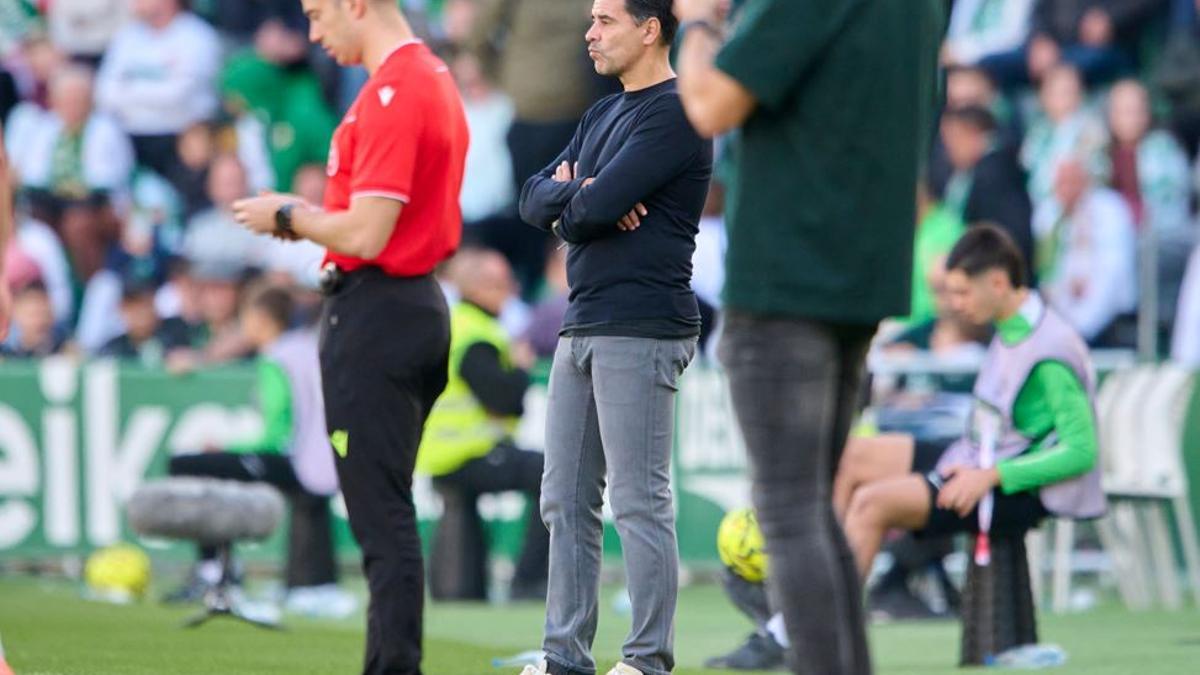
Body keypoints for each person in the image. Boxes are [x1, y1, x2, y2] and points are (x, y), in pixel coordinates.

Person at [674, 1, 942, 673]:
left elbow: (709, 103)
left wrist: (701, 20)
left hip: (789, 275)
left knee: (790, 512)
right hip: (861, 274)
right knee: (812, 509)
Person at [233, 1, 468, 672]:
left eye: (316, 12)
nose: (312, 32)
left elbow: (367, 231)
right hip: (408, 304)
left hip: (377, 310)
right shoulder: (429, 78)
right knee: (384, 512)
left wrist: (289, 214)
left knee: (381, 519)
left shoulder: (395, 90)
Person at [517, 2, 711, 673]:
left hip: (643, 322)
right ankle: (563, 654)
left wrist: (579, 199)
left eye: (605, 19)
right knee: (563, 500)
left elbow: (582, 206)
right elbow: (531, 198)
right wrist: (583, 198)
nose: (590, 32)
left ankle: (647, 658)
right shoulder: (601, 114)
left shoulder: (680, 108)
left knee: (638, 499)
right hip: (583, 320)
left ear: (650, 26)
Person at [841, 224, 1104, 583]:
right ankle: (797, 600)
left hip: (1015, 488)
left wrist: (992, 476)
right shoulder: (1010, 324)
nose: (955, 305)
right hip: (976, 457)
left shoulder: (1050, 350)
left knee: (871, 503)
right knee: (850, 456)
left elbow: (1082, 452)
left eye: (963, 293)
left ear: (997, 283)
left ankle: (823, 630)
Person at [166, 283, 350, 617]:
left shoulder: (276, 357)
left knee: (189, 465)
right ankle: (239, 571)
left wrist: (226, 446)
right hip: (330, 457)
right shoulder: (303, 347)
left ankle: (215, 571)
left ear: (261, 319)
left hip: (299, 461)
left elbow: (277, 433)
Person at [417, 248, 548, 601]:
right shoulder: (476, 334)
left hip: (447, 451)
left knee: (545, 471)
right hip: (466, 453)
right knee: (553, 474)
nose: (510, 290)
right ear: (475, 287)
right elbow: (503, 398)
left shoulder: (460, 322)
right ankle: (530, 582)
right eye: (501, 283)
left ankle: (480, 585)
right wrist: (520, 369)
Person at [1033, 158, 1138, 346]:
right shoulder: (1049, 216)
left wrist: (1079, 330)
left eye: (1071, 180)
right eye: (1059, 182)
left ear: (1085, 180)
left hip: (1110, 327)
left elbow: (1111, 279)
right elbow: (1046, 277)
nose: (1065, 189)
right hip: (1062, 327)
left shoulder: (1109, 211)